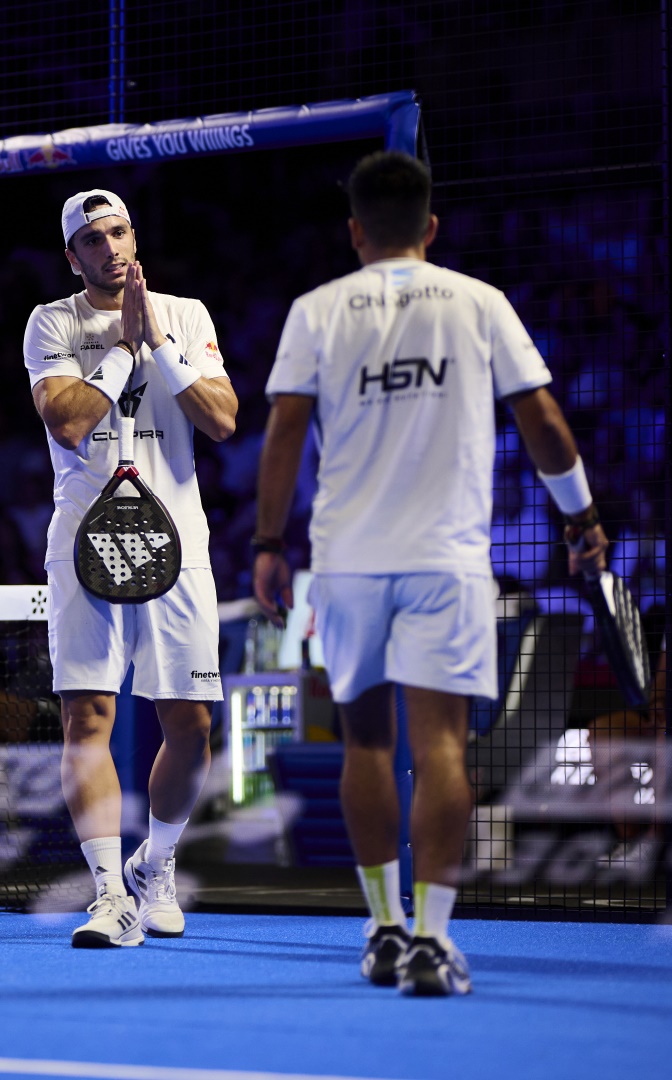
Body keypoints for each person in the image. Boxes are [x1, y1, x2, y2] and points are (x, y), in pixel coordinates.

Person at [252, 151, 608, 995]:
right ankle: (433, 942)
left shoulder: (316, 310)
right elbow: (543, 418)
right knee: (441, 745)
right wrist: (583, 518)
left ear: (354, 232)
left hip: (346, 562)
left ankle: (382, 929)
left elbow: (283, 435)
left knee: (365, 743)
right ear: (431, 227)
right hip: (445, 562)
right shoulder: (478, 302)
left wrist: (269, 543)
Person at [23, 189, 238, 947]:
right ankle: (110, 894)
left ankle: (157, 866)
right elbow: (73, 420)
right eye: (92, 240)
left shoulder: (187, 312)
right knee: (88, 721)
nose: (110, 247)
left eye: (119, 232)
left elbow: (221, 418)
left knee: (193, 725)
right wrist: (123, 347)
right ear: (73, 257)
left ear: (134, 237)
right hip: (85, 547)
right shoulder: (52, 322)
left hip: (180, 548)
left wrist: (161, 344)